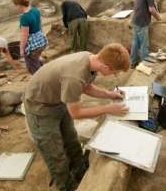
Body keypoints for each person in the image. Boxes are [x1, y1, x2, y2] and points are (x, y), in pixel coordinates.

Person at [24, 43, 130, 191]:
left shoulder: (90, 59)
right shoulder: (74, 75)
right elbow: (76, 113)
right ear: (106, 67)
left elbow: (86, 86)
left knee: (71, 140)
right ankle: (66, 186)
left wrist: (109, 94)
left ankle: (80, 171)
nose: (114, 75)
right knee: (55, 154)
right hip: (40, 108)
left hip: (58, 100)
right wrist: (108, 108)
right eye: (115, 72)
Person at [130, 0, 163, 67]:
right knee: (144, 44)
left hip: (135, 20)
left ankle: (132, 63)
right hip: (142, 22)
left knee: (135, 43)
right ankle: (145, 64)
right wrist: (159, 19)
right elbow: (151, 10)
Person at [12, 0, 48, 74]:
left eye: (15, 5)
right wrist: (42, 36)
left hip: (33, 45)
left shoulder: (24, 17)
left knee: (32, 67)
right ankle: (45, 71)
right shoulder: (35, 10)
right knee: (37, 59)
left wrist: (21, 50)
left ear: (18, 5)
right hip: (41, 41)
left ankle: (41, 80)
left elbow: (24, 36)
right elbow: (40, 25)